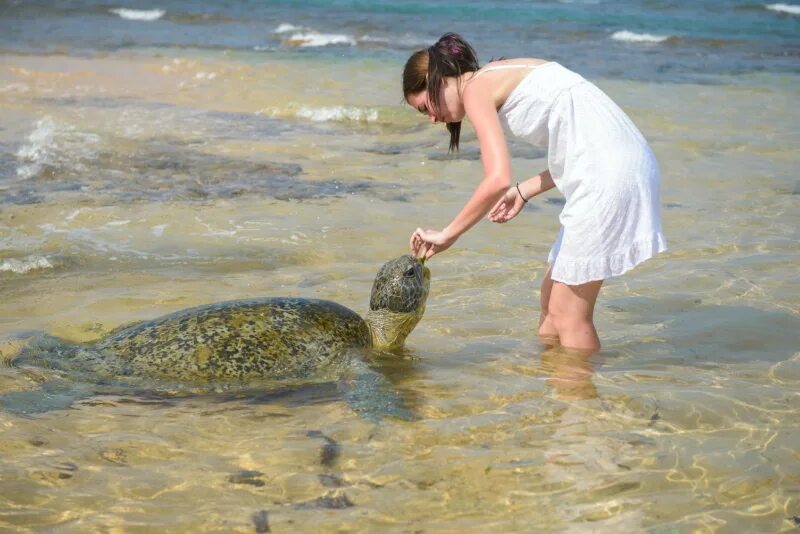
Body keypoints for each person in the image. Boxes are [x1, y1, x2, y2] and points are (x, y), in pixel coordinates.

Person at [403, 32, 666, 351]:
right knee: (551, 311)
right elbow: (582, 146)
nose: (432, 118)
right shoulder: (497, 73)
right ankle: (554, 392)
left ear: (438, 79)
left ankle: (580, 399)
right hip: (617, 162)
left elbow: (497, 178)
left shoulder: (475, 90)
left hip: (609, 174)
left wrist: (448, 234)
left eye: (424, 108)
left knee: (570, 317)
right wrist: (525, 189)